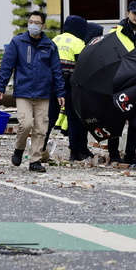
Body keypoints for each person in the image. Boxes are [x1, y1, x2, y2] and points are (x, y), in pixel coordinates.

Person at [0, 11, 65, 173]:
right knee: (25, 124)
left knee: (41, 129)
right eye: (31, 22)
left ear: (43, 26)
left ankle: (35, 160)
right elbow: (7, 65)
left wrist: (61, 93)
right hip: (23, 92)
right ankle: (19, 149)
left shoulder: (50, 46)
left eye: (37, 23)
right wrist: (1, 87)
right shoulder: (18, 42)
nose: (33, 25)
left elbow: (57, 71)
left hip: (43, 93)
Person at [46, 15, 94, 161]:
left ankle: (39, 149)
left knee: (49, 118)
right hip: (69, 87)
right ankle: (75, 152)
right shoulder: (78, 43)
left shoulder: (54, 40)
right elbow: (83, 67)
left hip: (52, 85)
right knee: (73, 119)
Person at [107, 1, 136, 168]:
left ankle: (131, 154)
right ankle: (113, 154)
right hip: (119, 81)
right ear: (128, 13)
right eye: (134, 13)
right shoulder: (116, 32)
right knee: (116, 120)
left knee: (135, 121)